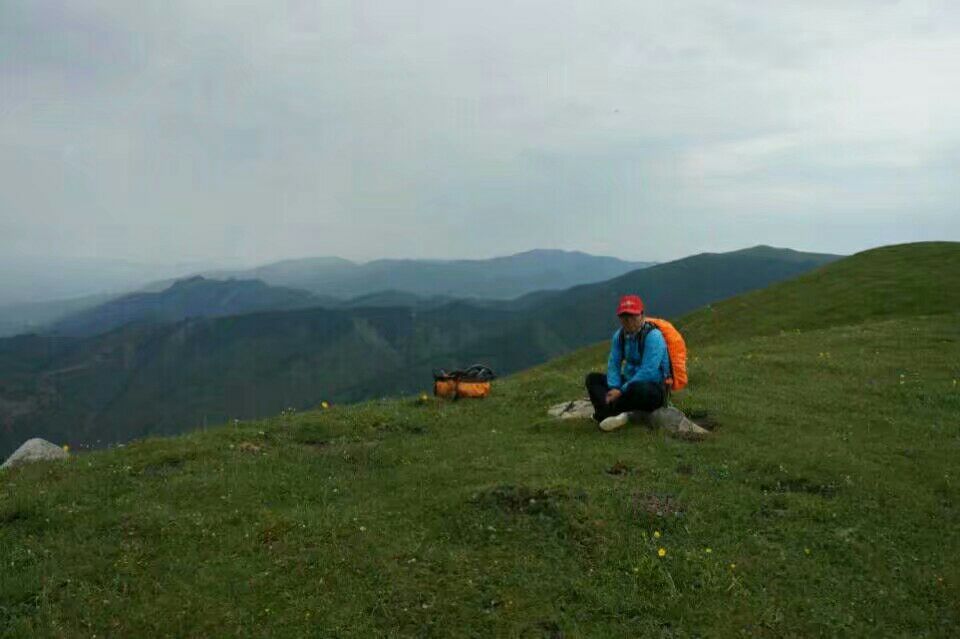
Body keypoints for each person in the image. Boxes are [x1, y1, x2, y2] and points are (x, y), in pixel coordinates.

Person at [585, 294, 671, 432]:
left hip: (652, 386)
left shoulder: (653, 336)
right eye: (624, 317)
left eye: (632, 316)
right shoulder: (620, 336)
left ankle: (608, 412)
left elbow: (649, 371)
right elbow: (614, 363)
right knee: (592, 379)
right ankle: (617, 413)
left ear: (642, 315)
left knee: (640, 389)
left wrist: (621, 391)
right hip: (627, 383)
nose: (628, 321)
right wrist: (614, 386)